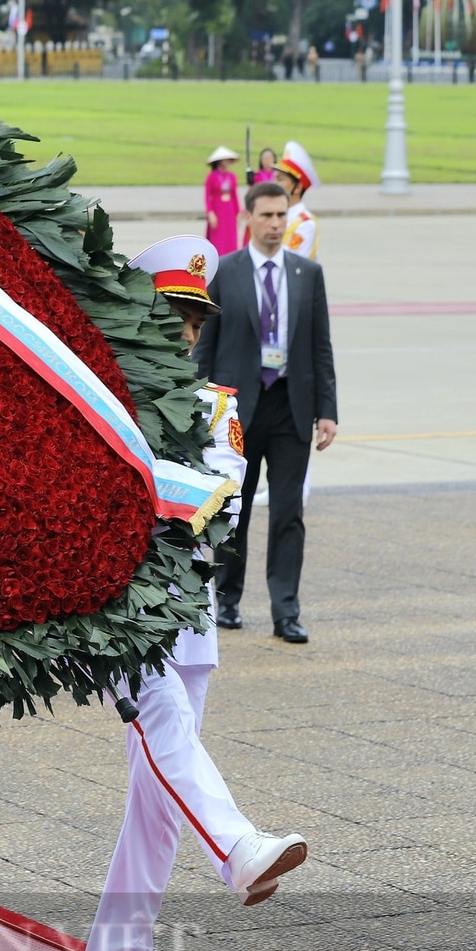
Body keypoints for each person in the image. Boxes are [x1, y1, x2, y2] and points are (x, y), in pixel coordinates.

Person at [85, 236, 309, 951]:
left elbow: (220, 508)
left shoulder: (217, 406)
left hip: (188, 609)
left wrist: (155, 489)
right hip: (116, 606)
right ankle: (239, 847)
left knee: (156, 803)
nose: (184, 332)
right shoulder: (98, 394)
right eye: (172, 313)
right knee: (166, 728)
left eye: (192, 318)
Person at [193, 183, 338, 644]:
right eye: (268, 216)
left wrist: (327, 411)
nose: (277, 224)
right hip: (239, 409)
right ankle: (229, 600)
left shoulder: (307, 273)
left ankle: (286, 610)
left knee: (288, 512)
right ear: (248, 219)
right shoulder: (226, 272)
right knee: (234, 509)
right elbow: (205, 349)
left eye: (282, 216)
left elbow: (320, 347)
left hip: (291, 407)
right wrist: (199, 408)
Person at [276, 140, 320, 261]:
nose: (274, 184)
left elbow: (290, 261)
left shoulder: (305, 224)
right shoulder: (275, 215)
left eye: (280, 179)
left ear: (297, 188)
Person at [203, 147, 241, 256]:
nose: (227, 162)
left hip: (229, 210)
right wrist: (210, 213)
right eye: (225, 159)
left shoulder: (232, 176)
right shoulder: (211, 177)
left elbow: (234, 195)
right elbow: (207, 196)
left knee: (230, 237)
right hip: (217, 210)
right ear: (219, 161)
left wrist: (237, 212)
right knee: (218, 239)